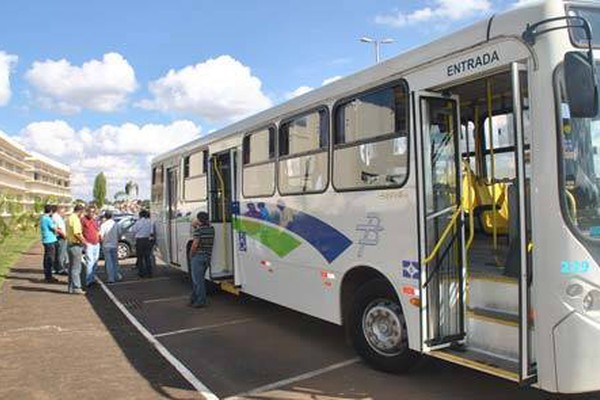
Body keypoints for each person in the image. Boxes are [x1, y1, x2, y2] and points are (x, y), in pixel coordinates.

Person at [189, 211, 215, 308]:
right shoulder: (211, 229)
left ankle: (201, 301)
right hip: (207, 257)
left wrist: (191, 254)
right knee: (199, 279)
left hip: (198, 257)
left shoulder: (198, 231)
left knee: (198, 281)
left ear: (199, 220)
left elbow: (195, 244)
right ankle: (193, 299)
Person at [66, 204, 86, 294]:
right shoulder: (75, 219)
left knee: (71, 267)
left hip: (70, 244)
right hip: (75, 245)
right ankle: (76, 287)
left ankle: (71, 287)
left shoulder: (69, 218)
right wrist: (84, 242)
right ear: (81, 211)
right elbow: (77, 233)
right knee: (76, 267)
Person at [99, 211, 122, 283]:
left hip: (106, 245)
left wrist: (102, 242)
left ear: (105, 217)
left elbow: (101, 236)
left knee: (109, 262)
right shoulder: (116, 224)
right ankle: (116, 276)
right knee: (115, 261)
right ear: (112, 216)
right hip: (114, 244)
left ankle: (111, 278)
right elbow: (119, 234)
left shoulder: (103, 225)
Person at [81, 205, 100, 287]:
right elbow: (79, 232)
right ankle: (89, 281)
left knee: (95, 262)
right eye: (90, 212)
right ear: (87, 211)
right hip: (89, 244)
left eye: (93, 212)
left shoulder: (95, 220)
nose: (91, 213)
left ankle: (92, 278)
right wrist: (84, 242)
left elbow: (97, 230)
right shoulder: (83, 220)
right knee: (90, 262)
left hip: (96, 244)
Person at [131, 209, 154, 278]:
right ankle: (149, 273)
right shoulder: (150, 222)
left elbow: (133, 230)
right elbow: (151, 232)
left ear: (140, 215)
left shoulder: (138, 222)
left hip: (140, 241)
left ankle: (141, 273)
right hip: (147, 240)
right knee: (147, 257)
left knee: (140, 258)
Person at [40, 204, 58, 283]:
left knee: (46, 258)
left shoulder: (43, 218)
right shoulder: (48, 219)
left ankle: (47, 275)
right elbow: (54, 228)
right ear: (50, 211)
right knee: (50, 259)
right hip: (50, 240)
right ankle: (49, 277)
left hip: (46, 240)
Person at [51, 205, 68, 275]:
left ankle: (56, 268)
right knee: (61, 254)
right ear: (59, 211)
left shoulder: (56, 217)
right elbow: (59, 229)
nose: (64, 213)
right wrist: (65, 236)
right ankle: (61, 269)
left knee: (59, 253)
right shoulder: (57, 217)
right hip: (61, 237)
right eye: (63, 212)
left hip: (59, 236)